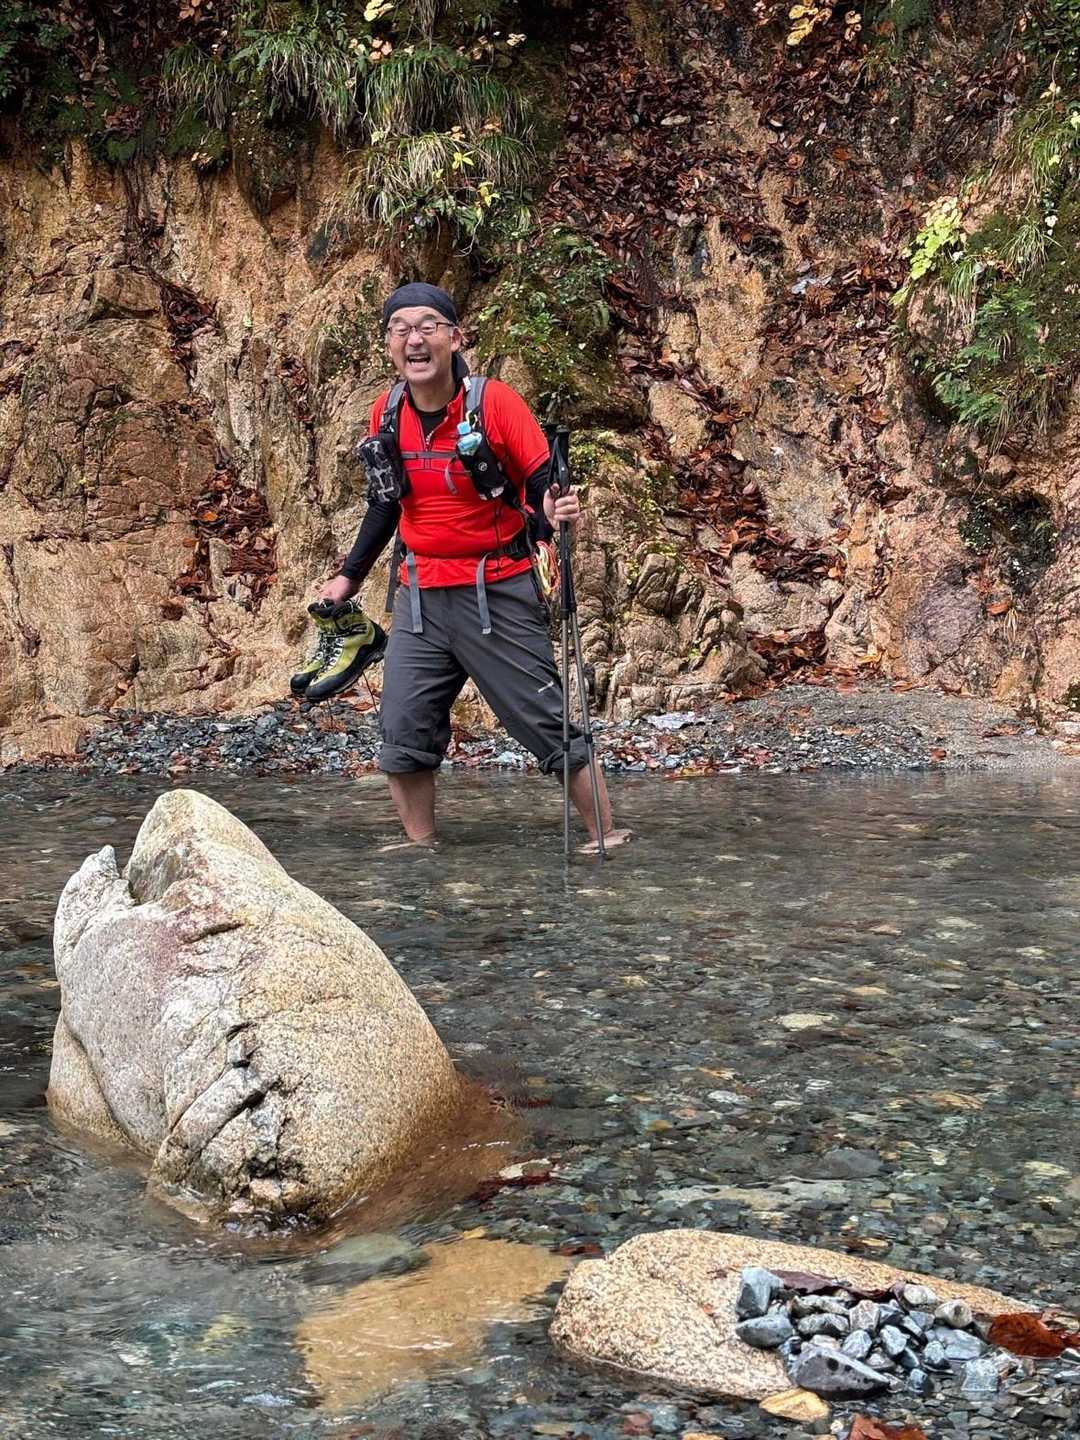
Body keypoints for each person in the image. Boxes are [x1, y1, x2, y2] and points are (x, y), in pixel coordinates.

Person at [315, 281, 629, 852]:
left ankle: (607, 837)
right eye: (400, 329)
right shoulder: (386, 412)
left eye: (427, 327)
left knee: (545, 723)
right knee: (402, 732)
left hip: (497, 592)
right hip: (418, 596)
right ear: (389, 344)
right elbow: (385, 503)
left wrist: (553, 509)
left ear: (455, 338)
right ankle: (422, 849)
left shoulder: (495, 404)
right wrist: (348, 577)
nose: (414, 339)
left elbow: (541, 481)